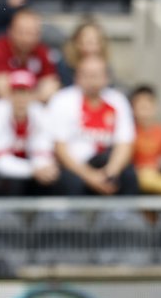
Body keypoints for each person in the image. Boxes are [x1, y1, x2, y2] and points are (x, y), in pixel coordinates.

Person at [47, 56, 139, 196]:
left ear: (107, 77)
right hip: (74, 167)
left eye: (96, 75)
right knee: (70, 182)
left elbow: (125, 143)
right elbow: (60, 148)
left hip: (106, 163)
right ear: (77, 77)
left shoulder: (118, 100)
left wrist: (110, 173)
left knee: (128, 175)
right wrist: (89, 176)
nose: (92, 81)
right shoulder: (62, 100)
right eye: (87, 75)